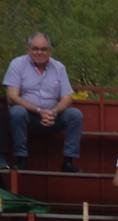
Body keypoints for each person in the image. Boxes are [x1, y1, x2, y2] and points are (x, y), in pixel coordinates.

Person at [5, 32, 83, 172]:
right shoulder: (17, 64)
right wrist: (39, 111)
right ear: (28, 50)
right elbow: (12, 96)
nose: (39, 52)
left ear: (49, 51)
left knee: (75, 115)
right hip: (28, 116)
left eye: (43, 49)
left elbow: (67, 98)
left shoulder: (59, 67)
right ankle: (21, 159)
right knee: (16, 112)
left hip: (53, 117)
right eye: (35, 48)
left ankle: (68, 162)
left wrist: (53, 112)